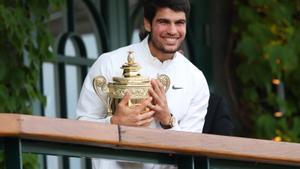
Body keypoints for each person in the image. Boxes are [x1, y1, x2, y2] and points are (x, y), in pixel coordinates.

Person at [76, 0, 210, 168]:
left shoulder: (196, 79)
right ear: (147, 23)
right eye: (164, 22)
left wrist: (168, 121)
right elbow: (81, 126)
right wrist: (114, 122)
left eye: (179, 23)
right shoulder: (109, 63)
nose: (173, 31)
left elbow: (191, 148)